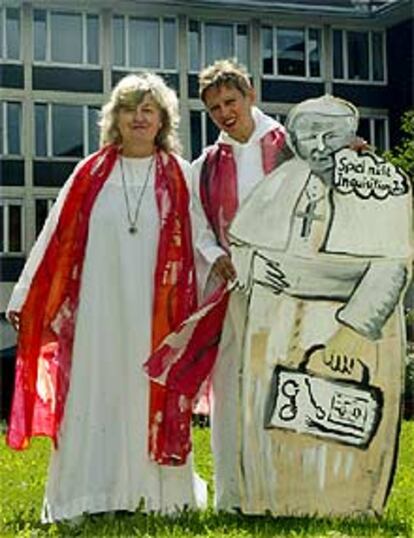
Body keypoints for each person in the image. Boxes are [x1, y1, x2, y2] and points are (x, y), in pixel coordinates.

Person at [6, 72, 207, 523]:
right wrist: (25, 294)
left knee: (147, 390)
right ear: (114, 118)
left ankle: (159, 498)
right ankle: (85, 497)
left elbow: (203, 240)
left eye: (148, 109)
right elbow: (54, 237)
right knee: (92, 393)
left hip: (157, 316)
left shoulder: (180, 175)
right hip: (97, 310)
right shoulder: (89, 173)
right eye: (129, 108)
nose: (139, 117)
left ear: (162, 121)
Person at [226, 94, 412, 515]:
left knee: (344, 428)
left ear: (351, 136)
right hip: (279, 325)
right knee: (277, 421)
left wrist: (351, 333)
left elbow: (392, 265)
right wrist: (254, 264)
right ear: (292, 138)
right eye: (307, 135)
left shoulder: (377, 184)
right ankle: (273, 500)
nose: (319, 145)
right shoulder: (280, 183)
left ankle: (347, 502)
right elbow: (240, 243)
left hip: (348, 329)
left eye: (332, 135)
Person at [191, 59, 289, 512]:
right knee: (231, 387)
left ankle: (282, 491)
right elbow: (198, 227)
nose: (225, 113)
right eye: (214, 109)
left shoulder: (291, 146)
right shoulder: (207, 165)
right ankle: (233, 496)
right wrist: (217, 258)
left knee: (281, 382)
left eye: (230, 101)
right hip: (232, 289)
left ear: (250, 93)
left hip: (288, 287)